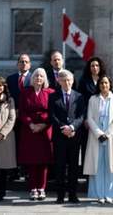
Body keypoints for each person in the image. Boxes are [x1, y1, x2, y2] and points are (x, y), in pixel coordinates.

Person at [84, 75, 113, 203]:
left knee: (111, 165)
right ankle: (99, 194)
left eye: (106, 83)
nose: (104, 85)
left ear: (110, 84)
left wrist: (107, 134)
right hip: (97, 137)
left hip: (112, 136)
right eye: (101, 83)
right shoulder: (93, 99)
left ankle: (111, 195)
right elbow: (89, 117)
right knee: (98, 165)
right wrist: (99, 134)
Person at [48, 70, 86, 204]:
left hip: (74, 137)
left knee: (74, 167)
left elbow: (81, 116)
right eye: (64, 80)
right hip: (59, 137)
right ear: (58, 81)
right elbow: (52, 115)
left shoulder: (79, 96)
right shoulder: (53, 96)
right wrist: (64, 128)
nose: (67, 82)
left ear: (73, 80)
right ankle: (60, 195)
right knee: (59, 167)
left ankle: (73, 194)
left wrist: (72, 128)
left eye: (69, 80)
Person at [18, 68, 55, 200]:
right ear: (32, 78)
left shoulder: (50, 93)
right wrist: (30, 123)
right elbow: (21, 111)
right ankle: (33, 188)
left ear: (45, 79)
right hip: (29, 130)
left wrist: (44, 124)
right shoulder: (25, 92)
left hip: (45, 130)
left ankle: (42, 188)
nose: (39, 78)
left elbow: (52, 112)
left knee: (43, 161)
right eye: (36, 76)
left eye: (41, 76)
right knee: (32, 161)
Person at [77, 56, 107, 168]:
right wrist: (85, 118)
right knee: (87, 145)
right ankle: (87, 170)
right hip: (89, 119)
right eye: (92, 66)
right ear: (89, 68)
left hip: (103, 118)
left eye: (97, 65)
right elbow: (81, 102)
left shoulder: (105, 80)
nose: (95, 68)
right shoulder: (84, 82)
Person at [6, 54, 32, 181]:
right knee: (13, 144)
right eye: (22, 61)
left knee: (27, 145)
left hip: (28, 118)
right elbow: (6, 98)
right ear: (17, 64)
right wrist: (12, 112)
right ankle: (13, 171)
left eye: (26, 62)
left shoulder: (34, 78)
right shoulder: (10, 79)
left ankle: (27, 171)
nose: (24, 64)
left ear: (30, 64)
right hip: (13, 118)